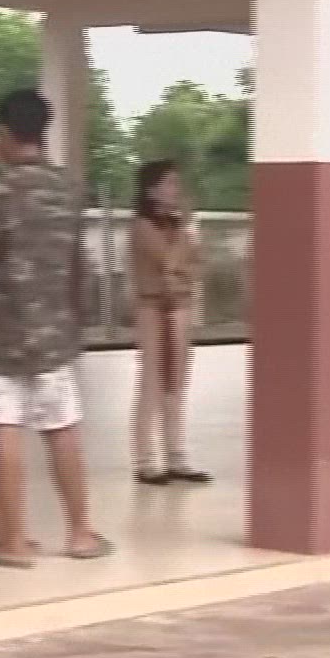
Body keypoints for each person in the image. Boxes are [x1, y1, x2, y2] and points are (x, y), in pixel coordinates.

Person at [0, 87, 112, 568]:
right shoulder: (67, 188)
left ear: (4, 132)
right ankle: (80, 533)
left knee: (5, 429)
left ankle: (14, 542)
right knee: (61, 428)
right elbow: (79, 264)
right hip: (55, 331)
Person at [129, 159, 208, 486]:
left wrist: (181, 264)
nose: (177, 189)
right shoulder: (143, 226)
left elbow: (196, 264)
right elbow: (169, 260)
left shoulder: (178, 227)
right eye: (170, 183)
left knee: (176, 383)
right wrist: (184, 241)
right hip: (153, 310)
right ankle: (145, 460)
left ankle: (176, 456)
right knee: (152, 382)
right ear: (152, 190)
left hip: (180, 309)